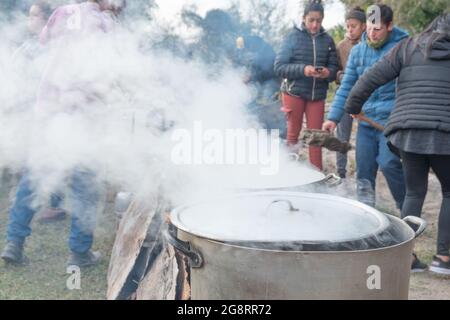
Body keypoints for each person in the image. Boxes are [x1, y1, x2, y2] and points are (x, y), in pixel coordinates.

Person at [1, 0, 123, 268]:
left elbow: (45, 42)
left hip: (49, 108)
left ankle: (14, 242)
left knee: (33, 177)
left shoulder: (62, 12)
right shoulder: (106, 23)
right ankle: (79, 254)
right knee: (86, 186)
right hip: (83, 115)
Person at [344, 13, 450, 275]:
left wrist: (352, 106)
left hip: (407, 132)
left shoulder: (408, 46)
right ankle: (443, 259)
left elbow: (372, 76)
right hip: (444, 133)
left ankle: (407, 257)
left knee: (414, 192)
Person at [323, 4, 408, 210]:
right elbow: (347, 87)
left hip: (391, 122)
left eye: (377, 28)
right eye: (369, 28)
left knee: (389, 165)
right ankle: (367, 213)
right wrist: (333, 118)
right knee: (364, 170)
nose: (371, 33)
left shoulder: (404, 48)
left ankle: (407, 209)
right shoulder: (358, 52)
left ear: (389, 26)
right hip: (366, 120)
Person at [10, 1, 68, 223]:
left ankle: (52, 206)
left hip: (44, 110)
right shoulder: (27, 48)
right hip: (30, 110)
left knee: (50, 160)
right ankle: (46, 206)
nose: (29, 20)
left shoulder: (49, 47)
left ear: (47, 20)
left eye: (34, 16)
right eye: (29, 15)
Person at [274, 0, 338, 171]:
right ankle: (288, 172)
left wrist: (327, 73)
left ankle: (316, 175)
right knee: (292, 134)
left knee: (316, 137)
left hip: (317, 95)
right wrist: (304, 70)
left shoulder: (328, 40)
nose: (315, 24)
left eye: (319, 20)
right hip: (293, 93)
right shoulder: (292, 37)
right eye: (311, 20)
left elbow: (333, 69)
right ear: (304, 18)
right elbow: (279, 67)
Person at [335, 7, 366, 179]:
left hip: (366, 97)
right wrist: (343, 76)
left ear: (363, 26)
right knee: (342, 136)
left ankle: (364, 173)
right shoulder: (341, 46)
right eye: (347, 26)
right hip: (345, 95)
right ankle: (341, 173)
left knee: (364, 138)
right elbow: (335, 72)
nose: (350, 30)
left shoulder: (370, 45)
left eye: (353, 26)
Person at [234, 34, 286, 137]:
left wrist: (251, 77)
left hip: (271, 80)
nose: (245, 50)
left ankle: (279, 133)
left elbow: (267, 69)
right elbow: (254, 67)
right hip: (261, 81)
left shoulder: (263, 50)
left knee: (269, 105)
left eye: (245, 47)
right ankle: (260, 130)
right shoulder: (254, 48)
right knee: (252, 104)